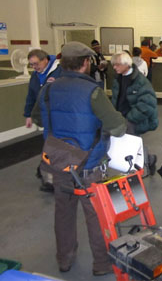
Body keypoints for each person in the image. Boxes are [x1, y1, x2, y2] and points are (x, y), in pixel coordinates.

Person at [31, 41, 127, 276]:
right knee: (96, 217)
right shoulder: (93, 92)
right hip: (89, 166)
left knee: (63, 213)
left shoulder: (48, 89)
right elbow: (118, 128)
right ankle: (102, 264)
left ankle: (64, 260)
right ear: (86, 63)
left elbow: (38, 118)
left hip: (58, 164)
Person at [111, 52, 158, 175]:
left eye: (117, 65)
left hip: (132, 119)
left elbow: (147, 104)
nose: (114, 68)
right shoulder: (118, 79)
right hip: (120, 116)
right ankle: (150, 159)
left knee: (130, 144)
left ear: (126, 64)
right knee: (132, 143)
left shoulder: (141, 81)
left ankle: (132, 173)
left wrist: (130, 119)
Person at [24, 49, 62, 192]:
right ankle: (49, 177)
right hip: (45, 117)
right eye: (31, 65)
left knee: (57, 146)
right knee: (49, 145)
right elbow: (31, 96)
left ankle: (52, 177)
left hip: (58, 116)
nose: (34, 67)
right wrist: (28, 115)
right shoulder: (35, 76)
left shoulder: (59, 72)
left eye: (36, 64)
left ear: (45, 59)